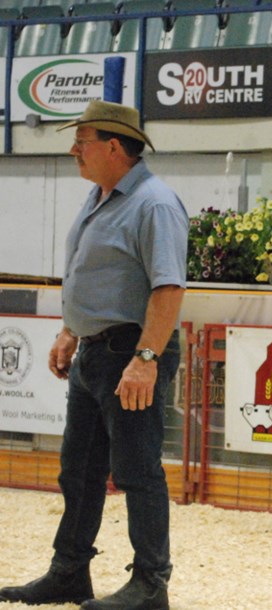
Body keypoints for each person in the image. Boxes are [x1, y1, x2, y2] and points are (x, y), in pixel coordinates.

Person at [0, 100, 188, 610]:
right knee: (78, 471)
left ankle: (152, 584)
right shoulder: (101, 197)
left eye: (81, 140)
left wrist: (146, 358)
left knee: (137, 469)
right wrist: (69, 330)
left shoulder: (153, 203)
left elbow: (168, 288)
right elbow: (97, 274)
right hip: (95, 353)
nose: (73, 149)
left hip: (131, 352)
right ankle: (69, 572)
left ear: (112, 145)